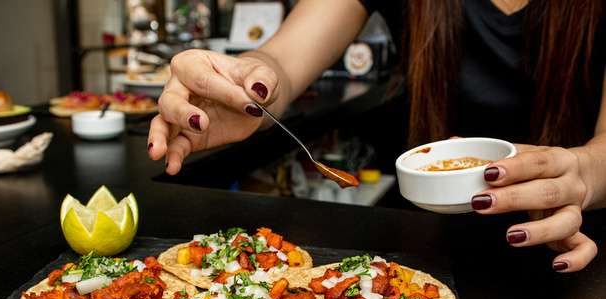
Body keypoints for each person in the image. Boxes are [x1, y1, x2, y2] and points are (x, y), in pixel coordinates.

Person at [147, 0, 606, 272]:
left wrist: (581, 171)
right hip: (424, 254)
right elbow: (282, 59)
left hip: (575, 247)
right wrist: (240, 83)